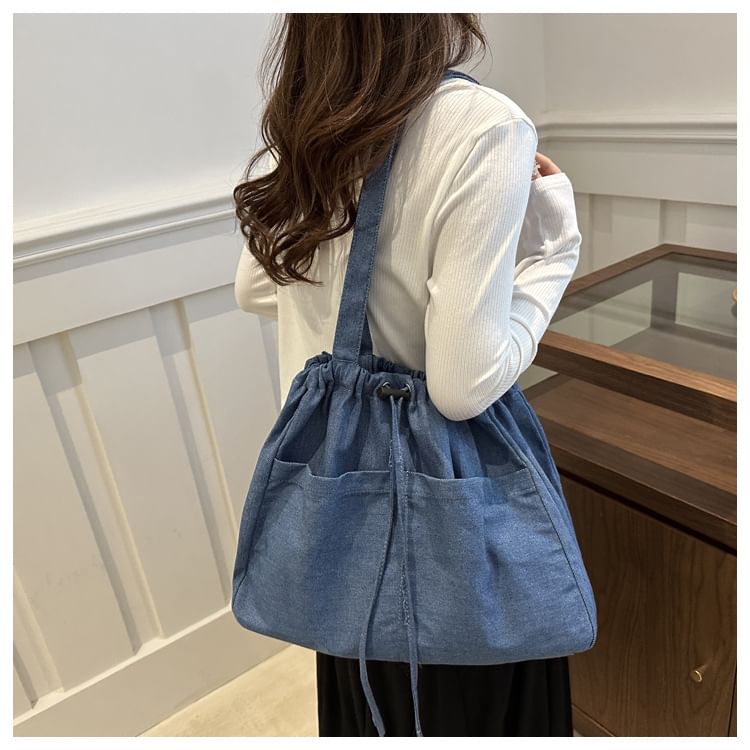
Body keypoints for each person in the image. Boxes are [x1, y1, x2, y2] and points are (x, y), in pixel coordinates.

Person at [233, 13, 581, 738]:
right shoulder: (482, 127)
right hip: (453, 542)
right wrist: (553, 254)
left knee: (369, 693)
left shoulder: (305, 126)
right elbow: (463, 385)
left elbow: (254, 288)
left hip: (343, 524)